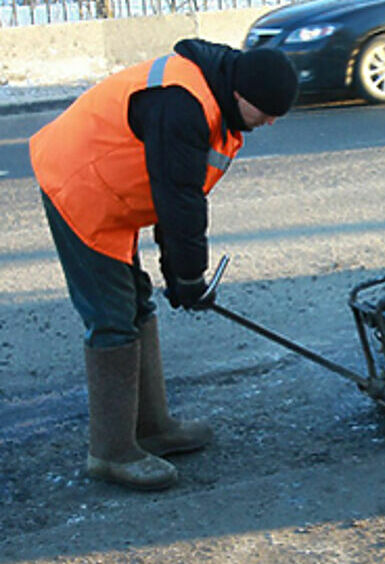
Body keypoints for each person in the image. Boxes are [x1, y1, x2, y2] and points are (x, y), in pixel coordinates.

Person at [29, 39, 299, 491]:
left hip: (113, 191)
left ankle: (152, 427)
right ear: (240, 96)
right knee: (112, 318)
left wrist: (180, 276)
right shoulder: (183, 105)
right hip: (78, 186)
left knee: (138, 303)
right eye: (266, 112)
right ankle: (110, 453)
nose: (270, 121)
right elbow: (179, 202)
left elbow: (174, 195)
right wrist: (189, 277)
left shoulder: (215, 93)